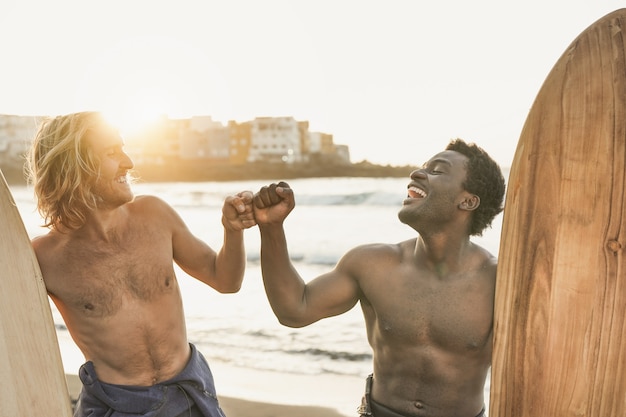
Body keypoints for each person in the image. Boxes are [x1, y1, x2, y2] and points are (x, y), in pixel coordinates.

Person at [252, 139, 505, 417]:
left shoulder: (499, 282)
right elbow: (294, 310)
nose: (417, 174)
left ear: (467, 201)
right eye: (424, 167)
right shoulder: (372, 264)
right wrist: (271, 227)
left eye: (438, 170)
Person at [27, 111, 256, 417]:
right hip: (115, 407)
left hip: (190, 397)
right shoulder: (43, 258)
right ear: (73, 166)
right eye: (111, 153)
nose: (128, 163)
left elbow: (226, 280)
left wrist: (233, 230)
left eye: (123, 149)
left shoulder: (155, 215)